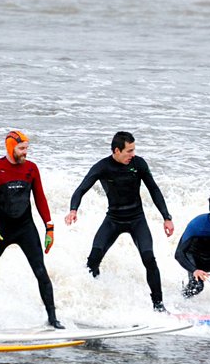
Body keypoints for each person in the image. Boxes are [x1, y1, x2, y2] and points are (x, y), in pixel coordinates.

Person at [65, 131, 174, 312]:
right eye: (129, 151)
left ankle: (159, 306)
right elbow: (81, 189)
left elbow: (154, 190)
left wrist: (166, 217)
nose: (132, 155)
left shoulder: (138, 164)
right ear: (117, 150)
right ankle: (93, 300)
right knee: (93, 261)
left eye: (133, 150)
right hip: (113, 219)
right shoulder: (102, 167)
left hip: (137, 219)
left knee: (149, 259)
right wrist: (73, 210)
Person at [0, 130, 63, 329]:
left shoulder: (31, 169)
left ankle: (53, 318)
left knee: (41, 273)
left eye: (27, 148)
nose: (25, 152)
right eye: (21, 148)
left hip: (25, 228)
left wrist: (50, 227)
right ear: (11, 147)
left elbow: (40, 198)